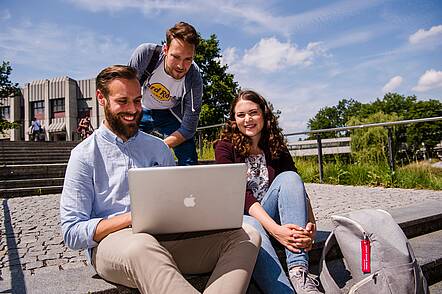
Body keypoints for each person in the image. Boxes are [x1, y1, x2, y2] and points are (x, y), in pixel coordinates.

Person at [60, 65, 261, 294]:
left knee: (247, 237)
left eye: (137, 101)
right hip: (115, 246)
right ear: (101, 98)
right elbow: (71, 231)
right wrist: (132, 218)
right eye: (123, 101)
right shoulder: (84, 155)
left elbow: (178, 203)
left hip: (167, 243)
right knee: (142, 246)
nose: (133, 109)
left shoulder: (159, 149)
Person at [214, 90, 320, 294]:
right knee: (252, 224)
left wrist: (310, 225)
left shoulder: (275, 145)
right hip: (242, 221)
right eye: (241, 115)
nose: (248, 119)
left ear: (264, 114)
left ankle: (300, 274)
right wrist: (275, 230)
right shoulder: (224, 148)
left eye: (253, 112)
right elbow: (240, 196)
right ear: (234, 120)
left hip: (273, 215)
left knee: (290, 177)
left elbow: (296, 187)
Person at [128, 21, 202, 166]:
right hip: (143, 109)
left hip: (171, 114)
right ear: (165, 49)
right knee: (124, 144)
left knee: (189, 157)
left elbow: (188, 128)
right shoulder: (147, 54)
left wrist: (158, 148)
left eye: (188, 59)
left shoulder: (194, 77)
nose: (181, 66)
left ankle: (189, 187)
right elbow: (126, 90)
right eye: (176, 57)